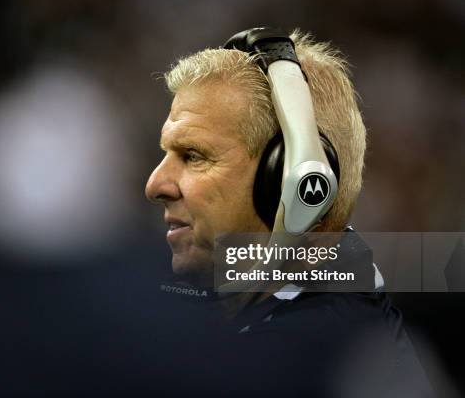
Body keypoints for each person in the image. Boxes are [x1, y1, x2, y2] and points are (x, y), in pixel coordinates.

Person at [145, 29, 434, 397]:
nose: (155, 185)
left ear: (293, 183)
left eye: (193, 156)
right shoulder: (275, 314)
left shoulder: (314, 367)